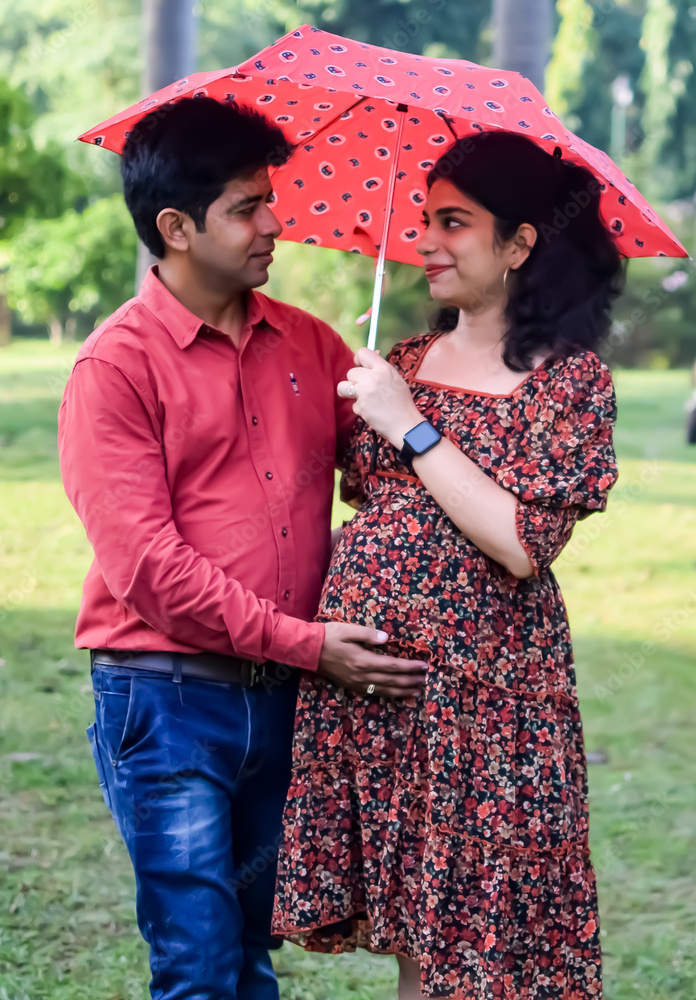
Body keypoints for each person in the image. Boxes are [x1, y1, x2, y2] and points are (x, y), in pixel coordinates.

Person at [58, 97, 428, 1000]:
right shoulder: (116, 367)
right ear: (177, 228)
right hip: (169, 698)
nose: (275, 224)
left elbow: (388, 488)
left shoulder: (308, 342)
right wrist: (310, 645)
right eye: (247, 207)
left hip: (290, 706)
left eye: (271, 198)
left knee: (250, 949)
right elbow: (146, 569)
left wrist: (405, 417)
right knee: (198, 964)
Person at [271, 131, 624, 1000]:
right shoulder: (399, 365)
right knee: (419, 945)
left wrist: (410, 424)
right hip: (377, 695)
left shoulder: (567, 384)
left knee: (485, 947)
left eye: (453, 223)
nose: (424, 242)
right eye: (424, 220)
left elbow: (519, 540)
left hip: (488, 699)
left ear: (519, 244)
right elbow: (363, 498)